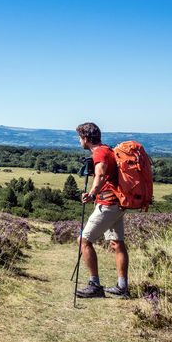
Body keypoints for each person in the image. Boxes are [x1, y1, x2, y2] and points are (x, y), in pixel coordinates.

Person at [75, 122, 129, 298]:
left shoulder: (99, 152)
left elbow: (100, 174)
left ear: (86, 138)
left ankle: (95, 285)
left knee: (83, 240)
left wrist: (91, 194)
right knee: (117, 243)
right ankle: (122, 287)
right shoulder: (108, 149)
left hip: (108, 204)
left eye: (80, 138)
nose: (79, 141)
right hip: (118, 203)